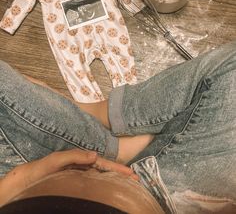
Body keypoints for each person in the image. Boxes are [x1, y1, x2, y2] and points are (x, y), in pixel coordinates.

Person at [0, 41, 236, 213]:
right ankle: (118, 151)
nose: (94, 172)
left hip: (26, 185)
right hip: (164, 199)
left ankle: (107, 131)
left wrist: (20, 182)